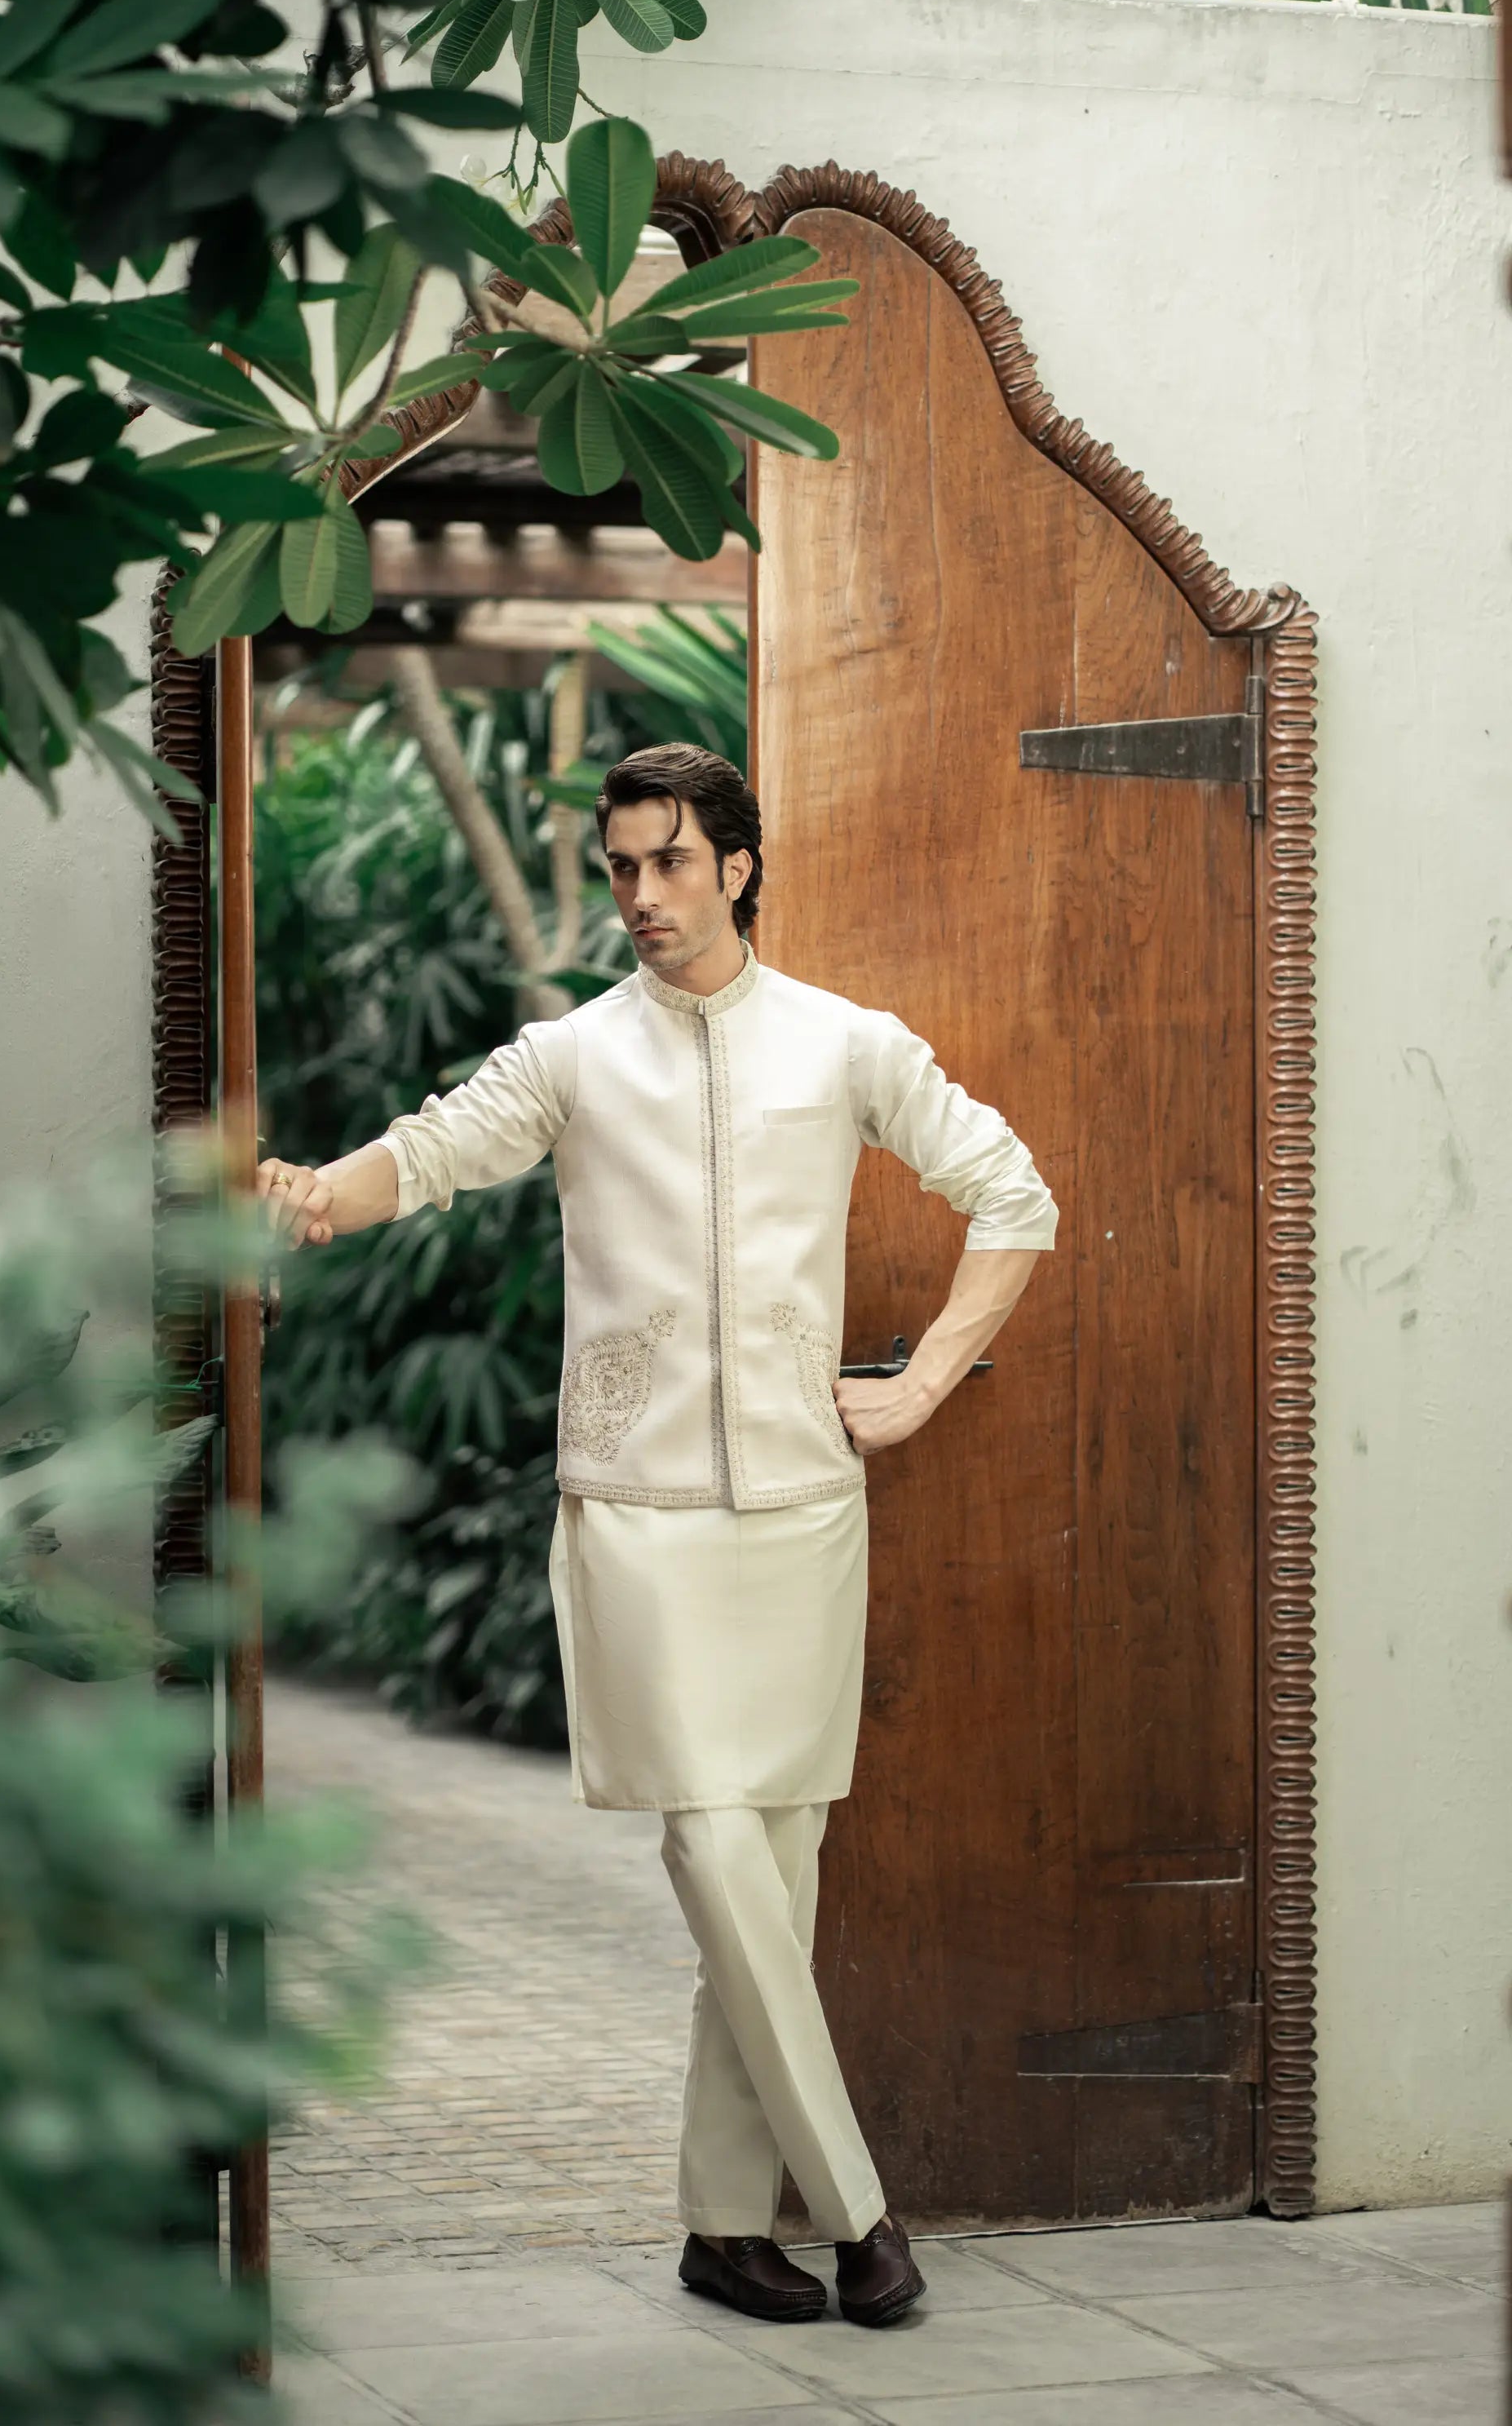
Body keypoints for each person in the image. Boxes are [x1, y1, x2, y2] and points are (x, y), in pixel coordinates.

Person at [259, 742, 1058, 2327]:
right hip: (633, 1515)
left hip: (801, 1518)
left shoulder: (845, 1047)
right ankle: (860, 2212)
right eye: (620, 867)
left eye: (668, 862)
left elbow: (1014, 1195)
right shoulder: (570, 1060)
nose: (639, 897)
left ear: (734, 866)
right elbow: (429, 1151)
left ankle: (716, 2224)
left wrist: (919, 1389)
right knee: (709, 1841)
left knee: (776, 1869)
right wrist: (314, 1196)